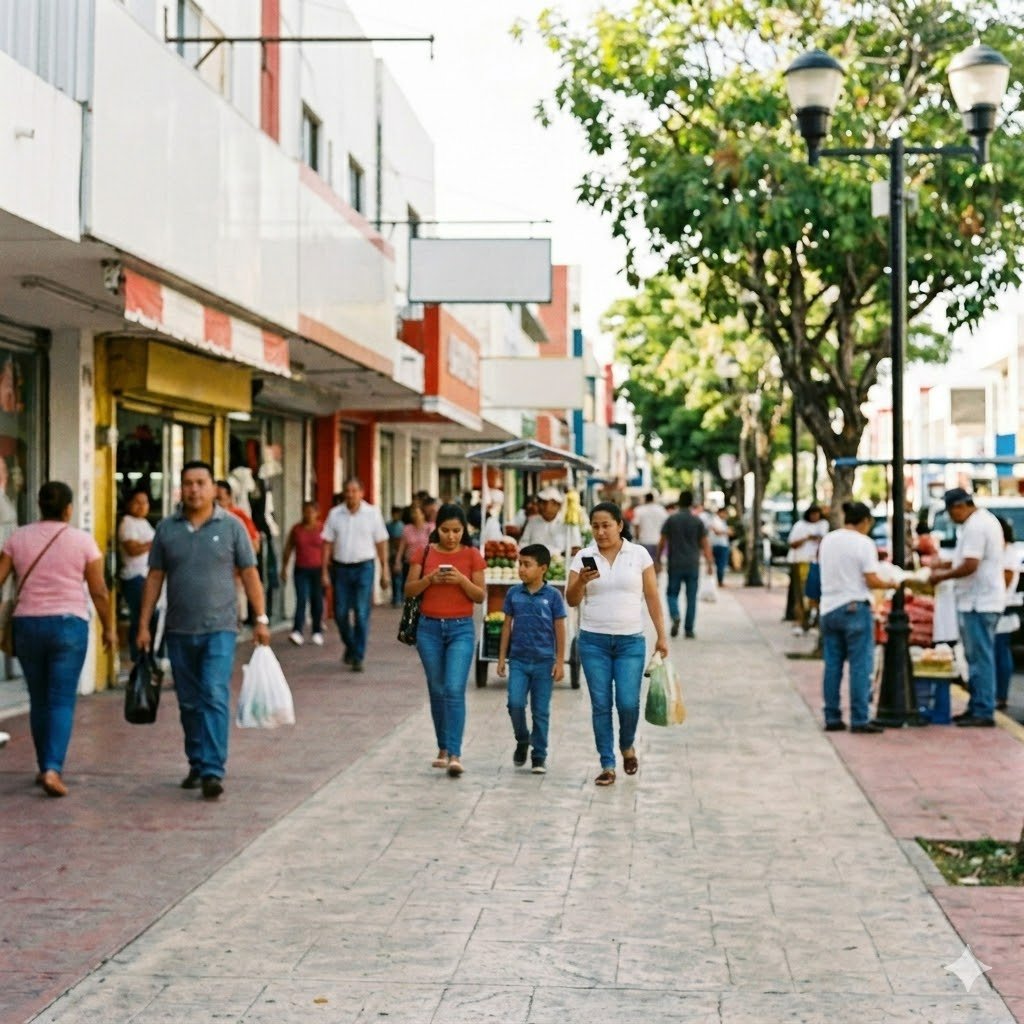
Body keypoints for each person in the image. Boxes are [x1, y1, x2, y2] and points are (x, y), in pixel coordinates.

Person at [138, 461, 271, 799]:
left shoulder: (232, 527)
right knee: (189, 702)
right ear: (180, 488)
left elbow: (250, 573)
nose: (194, 489)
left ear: (213, 488)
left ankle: (213, 769)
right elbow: (155, 577)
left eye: (201, 483)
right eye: (188, 483)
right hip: (179, 630)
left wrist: (261, 618)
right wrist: (143, 625)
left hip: (220, 629)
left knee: (213, 693)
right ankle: (196, 762)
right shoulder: (167, 529)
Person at [0, 482, 116, 797]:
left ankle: (44, 766)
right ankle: (53, 768)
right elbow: (99, 590)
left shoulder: (18, 538)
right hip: (69, 626)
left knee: (39, 699)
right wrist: (109, 628)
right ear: (68, 508)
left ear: (39, 505)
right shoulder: (83, 541)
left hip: (27, 625)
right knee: (61, 700)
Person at [566, 501, 669, 786]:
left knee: (627, 703)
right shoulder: (583, 557)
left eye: (606, 525)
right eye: (595, 526)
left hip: (630, 643)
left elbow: (652, 597)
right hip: (593, 642)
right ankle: (607, 764)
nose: (600, 532)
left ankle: (626, 745)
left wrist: (661, 636)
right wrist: (581, 582)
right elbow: (571, 600)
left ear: (620, 525)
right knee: (601, 704)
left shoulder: (639, 555)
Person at [403, 503, 485, 777]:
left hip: (461, 629)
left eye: (457, 531)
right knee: (437, 689)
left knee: (454, 688)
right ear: (436, 528)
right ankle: (443, 746)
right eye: (446, 530)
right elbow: (408, 590)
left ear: (464, 530)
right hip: (429, 629)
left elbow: (479, 595)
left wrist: (460, 579)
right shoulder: (423, 552)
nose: (451, 536)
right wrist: (430, 579)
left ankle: (455, 753)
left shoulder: (472, 555)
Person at [930, 488, 1005, 728]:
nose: (951, 517)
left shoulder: (976, 526)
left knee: (980, 658)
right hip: (978, 600)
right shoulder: (980, 522)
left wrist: (942, 576)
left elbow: (970, 564)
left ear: (960, 506)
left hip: (979, 602)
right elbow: (965, 559)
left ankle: (982, 709)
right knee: (975, 657)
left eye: (951, 512)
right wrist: (945, 565)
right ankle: (977, 705)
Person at [817, 501, 891, 734]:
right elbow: (871, 579)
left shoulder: (828, 540)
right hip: (854, 607)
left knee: (833, 665)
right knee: (860, 665)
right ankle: (860, 718)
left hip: (828, 608)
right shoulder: (863, 543)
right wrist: (893, 583)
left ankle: (832, 716)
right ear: (865, 521)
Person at [497, 543, 567, 774]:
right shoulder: (513, 594)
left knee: (540, 711)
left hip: (544, 662)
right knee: (515, 703)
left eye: (527, 565)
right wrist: (501, 658)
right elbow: (507, 626)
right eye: (520, 564)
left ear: (543, 568)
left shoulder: (553, 596)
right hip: (518, 660)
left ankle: (539, 755)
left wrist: (560, 662)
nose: (521, 569)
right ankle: (522, 738)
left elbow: (560, 629)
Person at [320, 477, 390, 672]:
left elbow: (381, 542)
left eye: (354, 491)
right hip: (341, 568)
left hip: (364, 567)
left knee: (361, 612)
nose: (350, 495)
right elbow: (327, 543)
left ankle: (358, 656)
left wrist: (385, 570)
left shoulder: (372, 513)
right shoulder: (335, 514)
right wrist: (324, 570)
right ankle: (350, 645)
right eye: (347, 491)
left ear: (362, 493)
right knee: (340, 613)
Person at [658, 491, 714, 639]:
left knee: (671, 594)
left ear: (679, 502)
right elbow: (705, 544)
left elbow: (662, 541)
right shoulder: (697, 521)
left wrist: (657, 559)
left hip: (675, 563)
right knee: (691, 598)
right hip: (692, 564)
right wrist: (710, 563)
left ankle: (675, 614)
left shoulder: (671, 520)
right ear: (691, 503)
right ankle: (689, 629)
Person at [118, 489, 155, 663]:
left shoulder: (144, 523)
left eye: (145, 502)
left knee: (149, 616)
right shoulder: (127, 522)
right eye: (137, 502)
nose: (142, 506)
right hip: (134, 576)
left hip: (147, 576)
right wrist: (152, 544)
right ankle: (137, 657)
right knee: (141, 617)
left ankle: (146, 656)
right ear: (129, 504)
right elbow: (132, 549)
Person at [281, 500, 325, 647]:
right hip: (301, 569)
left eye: (311, 512)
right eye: (305, 511)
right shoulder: (297, 529)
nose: (308, 515)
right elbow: (288, 548)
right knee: (301, 598)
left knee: (316, 600)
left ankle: (316, 631)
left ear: (317, 513)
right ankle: (297, 631)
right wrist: (284, 568)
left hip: (318, 569)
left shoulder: (322, 529)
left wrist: (327, 570)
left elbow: (328, 549)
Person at [786, 505, 829, 634]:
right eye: (812, 514)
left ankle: (814, 620)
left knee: (815, 593)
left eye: (817, 514)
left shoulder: (823, 525)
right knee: (801, 592)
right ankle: (801, 620)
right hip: (801, 561)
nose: (815, 517)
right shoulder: (800, 526)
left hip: (817, 563)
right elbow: (792, 544)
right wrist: (807, 538)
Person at [994, 517, 1022, 712]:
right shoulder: (1001, 551)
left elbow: (1006, 578)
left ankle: (1001, 694)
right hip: (997, 606)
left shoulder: (1009, 553)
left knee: (1000, 651)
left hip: (1002, 607)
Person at [518, 486, 582, 559]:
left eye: (545, 502)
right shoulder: (532, 521)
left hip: (562, 563)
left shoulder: (568, 522)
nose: (540, 505)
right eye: (540, 502)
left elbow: (576, 549)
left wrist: (559, 554)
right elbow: (523, 543)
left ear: (557, 505)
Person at [394, 502, 432, 590]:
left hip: (425, 564)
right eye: (413, 513)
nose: (414, 515)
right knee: (409, 589)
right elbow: (402, 547)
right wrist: (397, 562)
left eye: (417, 513)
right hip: (409, 564)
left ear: (423, 514)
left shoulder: (429, 528)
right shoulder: (407, 528)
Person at [630, 492, 668, 567]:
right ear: (653, 499)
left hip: (644, 541)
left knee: (645, 566)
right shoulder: (661, 510)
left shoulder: (639, 510)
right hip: (658, 541)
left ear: (645, 499)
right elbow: (666, 525)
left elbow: (636, 526)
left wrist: (637, 539)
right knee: (656, 564)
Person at [707, 506, 733, 585]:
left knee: (721, 564)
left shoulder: (722, 521)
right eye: (725, 513)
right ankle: (720, 581)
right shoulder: (715, 520)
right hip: (719, 545)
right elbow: (717, 531)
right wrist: (727, 532)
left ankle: (720, 581)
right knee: (720, 564)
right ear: (720, 513)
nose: (726, 515)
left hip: (722, 544)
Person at [386, 505, 406, 607]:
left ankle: (399, 597)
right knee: (394, 577)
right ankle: (395, 597)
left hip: (399, 554)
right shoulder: (388, 525)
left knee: (399, 577)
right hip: (392, 553)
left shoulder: (402, 526)